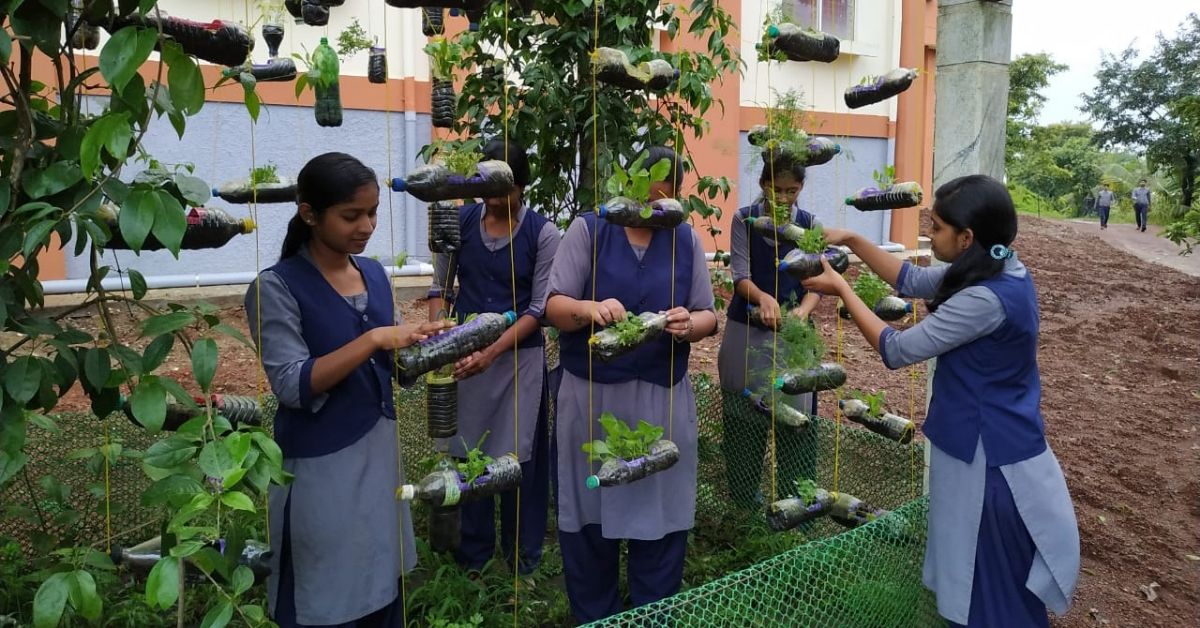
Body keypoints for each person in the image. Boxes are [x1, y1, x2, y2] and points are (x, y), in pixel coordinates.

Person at [800, 174, 1079, 627]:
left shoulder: (986, 299)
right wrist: (852, 238)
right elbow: (910, 278)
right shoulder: (996, 263)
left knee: (984, 591)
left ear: (966, 237)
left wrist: (842, 289)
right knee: (978, 582)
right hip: (987, 445)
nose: (929, 232)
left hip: (987, 461)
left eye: (938, 226)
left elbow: (897, 350)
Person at [246, 152, 450, 627]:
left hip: (379, 455)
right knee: (325, 586)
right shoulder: (275, 288)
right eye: (351, 215)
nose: (366, 226)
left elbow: (393, 366)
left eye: (373, 212)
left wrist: (435, 350)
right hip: (319, 463)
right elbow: (292, 383)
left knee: (379, 572)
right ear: (309, 214)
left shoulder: (374, 275)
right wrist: (374, 338)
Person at [546, 146, 718, 623]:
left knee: (660, 514)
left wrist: (691, 322)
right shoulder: (590, 229)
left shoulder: (684, 239)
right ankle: (595, 614)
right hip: (591, 398)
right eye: (647, 197)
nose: (654, 209)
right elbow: (554, 305)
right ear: (629, 185)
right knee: (589, 513)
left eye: (664, 202)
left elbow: (708, 312)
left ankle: (651, 613)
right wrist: (588, 309)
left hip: (661, 397)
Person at [426, 139, 558, 574]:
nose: (494, 200)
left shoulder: (543, 233)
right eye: (485, 189)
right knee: (469, 454)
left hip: (518, 360)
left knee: (520, 462)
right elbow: (440, 290)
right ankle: (475, 558)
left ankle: (523, 559)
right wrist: (438, 342)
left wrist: (493, 350)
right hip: (466, 355)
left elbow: (539, 309)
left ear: (522, 187)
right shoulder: (459, 222)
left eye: (504, 191)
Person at [716, 149, 821, 508]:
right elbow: (741, 277)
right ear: (762, 184)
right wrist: (762, 298)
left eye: (791, 190)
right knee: (744, 421)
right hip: (747, 333)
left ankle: (796, 506)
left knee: (796, 424)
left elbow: (816, 285)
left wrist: (803, 313)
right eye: (776, 189)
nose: (783, 197)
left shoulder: (811, 225)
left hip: (793, 339)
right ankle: (744, 506)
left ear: (801, 188)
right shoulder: (744, 219)